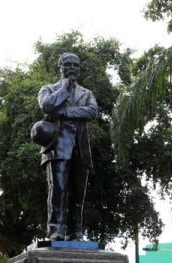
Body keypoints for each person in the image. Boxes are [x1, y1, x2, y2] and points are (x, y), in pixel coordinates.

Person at [37, 52, 98, 241]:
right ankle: (56, 231)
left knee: (79, 194)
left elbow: (92, 112)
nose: (72, 68)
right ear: (60, 67)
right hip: (57, 148)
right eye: (68, 64)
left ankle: (75, 232)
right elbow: (47, 106)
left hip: (81, 148)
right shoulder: (48, 89)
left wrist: (63, 112)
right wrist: (64, 88)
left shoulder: (86, 93)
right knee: (58, 190)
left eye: (75, 65)